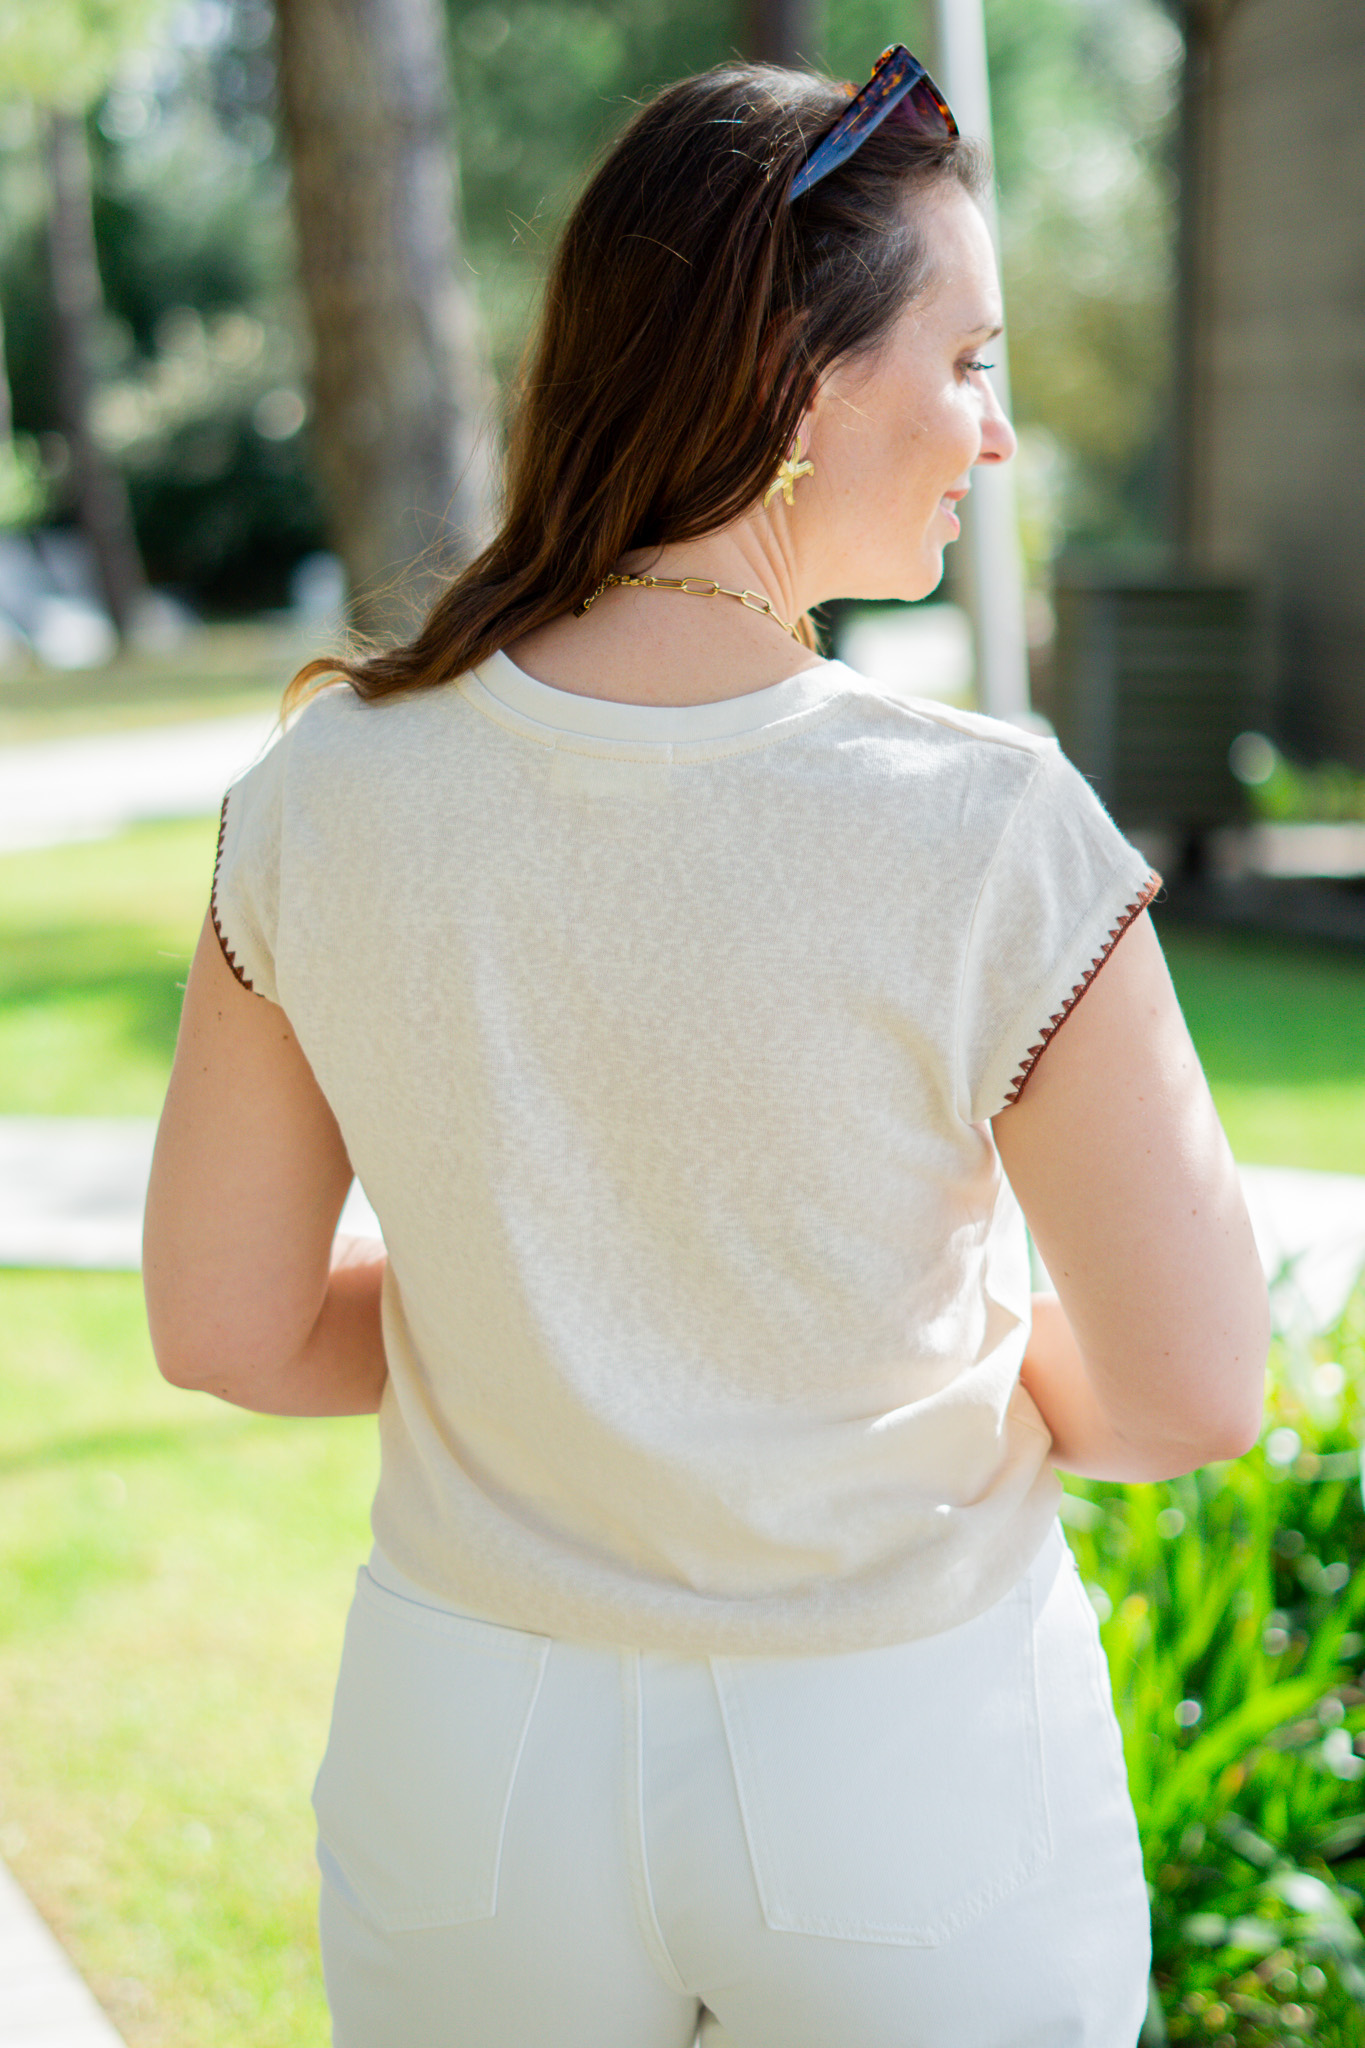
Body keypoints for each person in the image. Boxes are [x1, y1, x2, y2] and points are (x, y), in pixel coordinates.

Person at [143, 47, 1269, 2048]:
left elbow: (225, 1327)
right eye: (964, 363)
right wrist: (876, 1355)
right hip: (900, 1761)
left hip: (468, 1771)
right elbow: (1187, 1389)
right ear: (792, 379)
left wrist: (546, 1320)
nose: (994, 433)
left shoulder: (322, 796)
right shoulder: (985, 827)